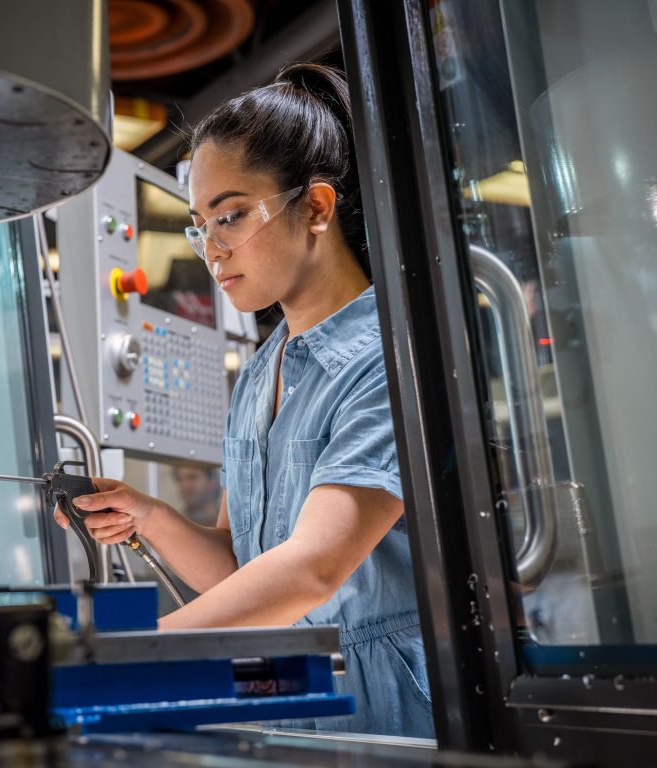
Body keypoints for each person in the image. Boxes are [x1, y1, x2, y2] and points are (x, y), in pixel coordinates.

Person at [55, 63, 433, 737]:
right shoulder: (262, 372)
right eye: (199, 224)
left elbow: (313, 569)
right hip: (294, 701)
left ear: (316, 207)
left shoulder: (385, 355)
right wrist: (150, 515)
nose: (210, 248)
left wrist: (131, 653)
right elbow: (239, 564)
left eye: (229, 216)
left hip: (385, 711)